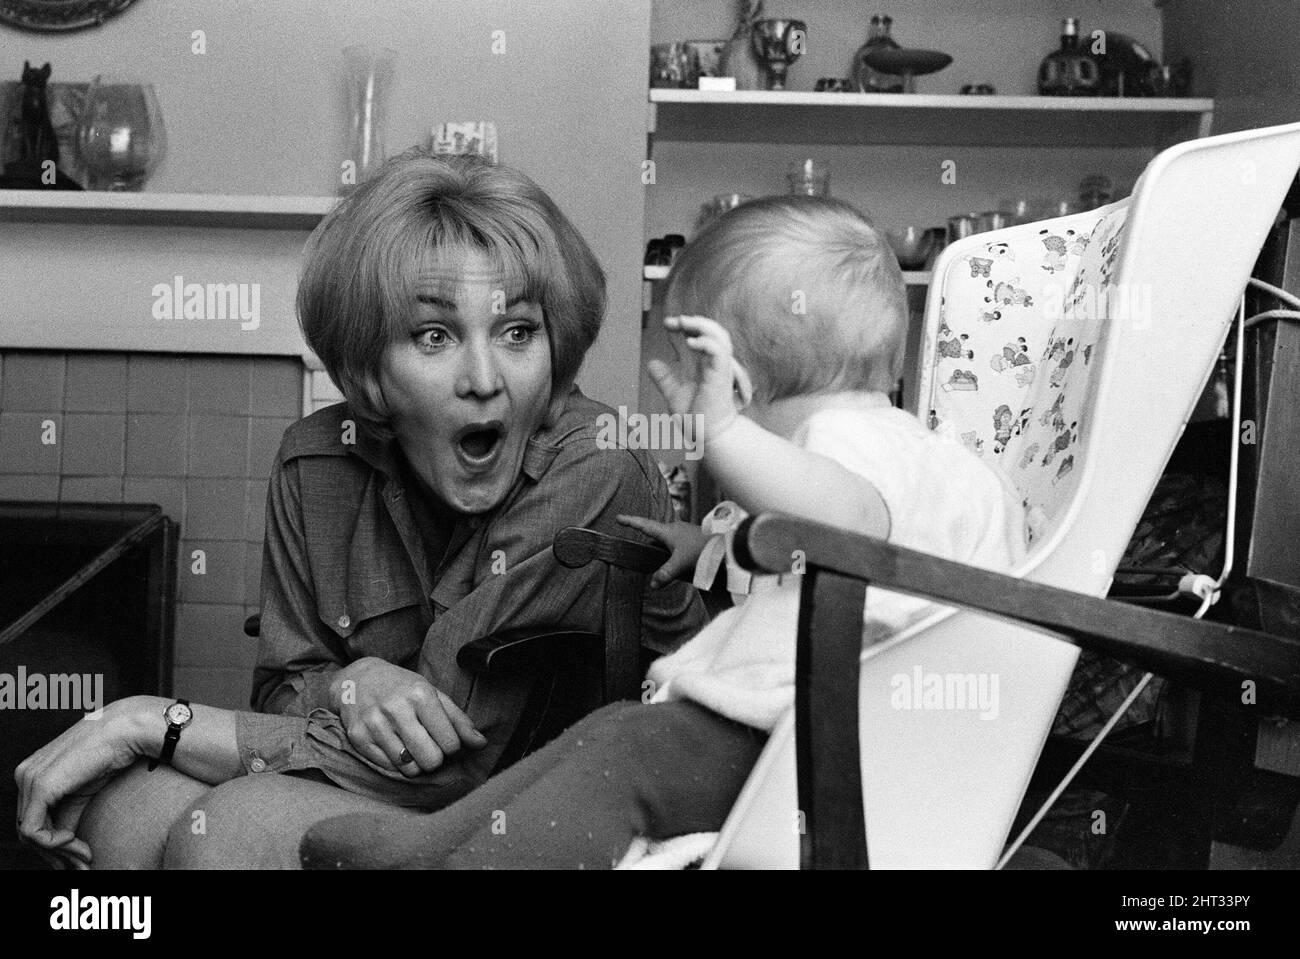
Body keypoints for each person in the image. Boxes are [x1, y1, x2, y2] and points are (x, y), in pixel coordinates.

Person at [14, 152, 704, 869]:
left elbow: (453, 754)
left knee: (233, 828)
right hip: (396, 793)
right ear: (369, 373)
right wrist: (351, 683)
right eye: (434, 336)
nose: (484, 380)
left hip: (552, 811)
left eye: (518, 332)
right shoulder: (316, 462)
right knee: (124, 809)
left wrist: (148, 718)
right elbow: (284, 687)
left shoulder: (596, 463)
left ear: (557, 361)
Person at [298, 195, 1029, 870]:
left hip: (826, 742)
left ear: (737, 382)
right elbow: (822, 552)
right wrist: (705, 549)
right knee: (609, 736)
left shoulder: (852, 441)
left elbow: (844, 526)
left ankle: (458, 859)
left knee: (621, 754)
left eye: (698, 378)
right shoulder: (916, 461)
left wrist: (720, 435)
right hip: (855, 740)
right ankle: (435, 844)